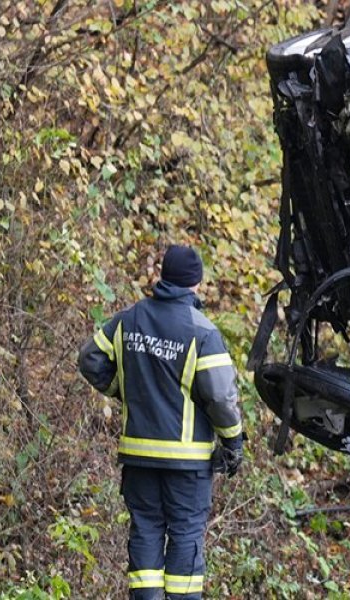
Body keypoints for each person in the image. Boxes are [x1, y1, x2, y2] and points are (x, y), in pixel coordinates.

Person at [77, 245, 244, 599]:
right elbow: (219, 398)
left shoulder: (128, 319)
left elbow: (90, 358)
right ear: (195, 284)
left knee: (146, 531)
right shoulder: (203, 332)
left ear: (163, 277)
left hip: (138, 458)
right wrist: (233, 442)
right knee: (184, 534)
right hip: (187, 464)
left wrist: (125, 391)